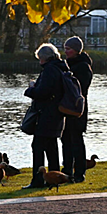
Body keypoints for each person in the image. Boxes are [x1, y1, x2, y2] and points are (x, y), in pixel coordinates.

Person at [22, 43, 70, 189]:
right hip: (56, 115)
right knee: (51, 147)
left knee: (37, 146)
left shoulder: (50, 70)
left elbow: (44, 93)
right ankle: (54, 178)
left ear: (44, 58)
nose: (39, 62)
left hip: (46, 115)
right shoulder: (60, 68)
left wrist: (31, 89)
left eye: (40, 59)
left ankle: (37, 180)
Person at [61, 36, 93, 183]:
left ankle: (80, 172)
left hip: (77, 109)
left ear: (76, 50)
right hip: (66, 109)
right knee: (65, 139)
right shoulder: (67, 65)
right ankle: (67, 169)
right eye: (65, 48)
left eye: (69, 49)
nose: (66, 51)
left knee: (76, 141)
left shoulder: (83, 67)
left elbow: (81, 89)